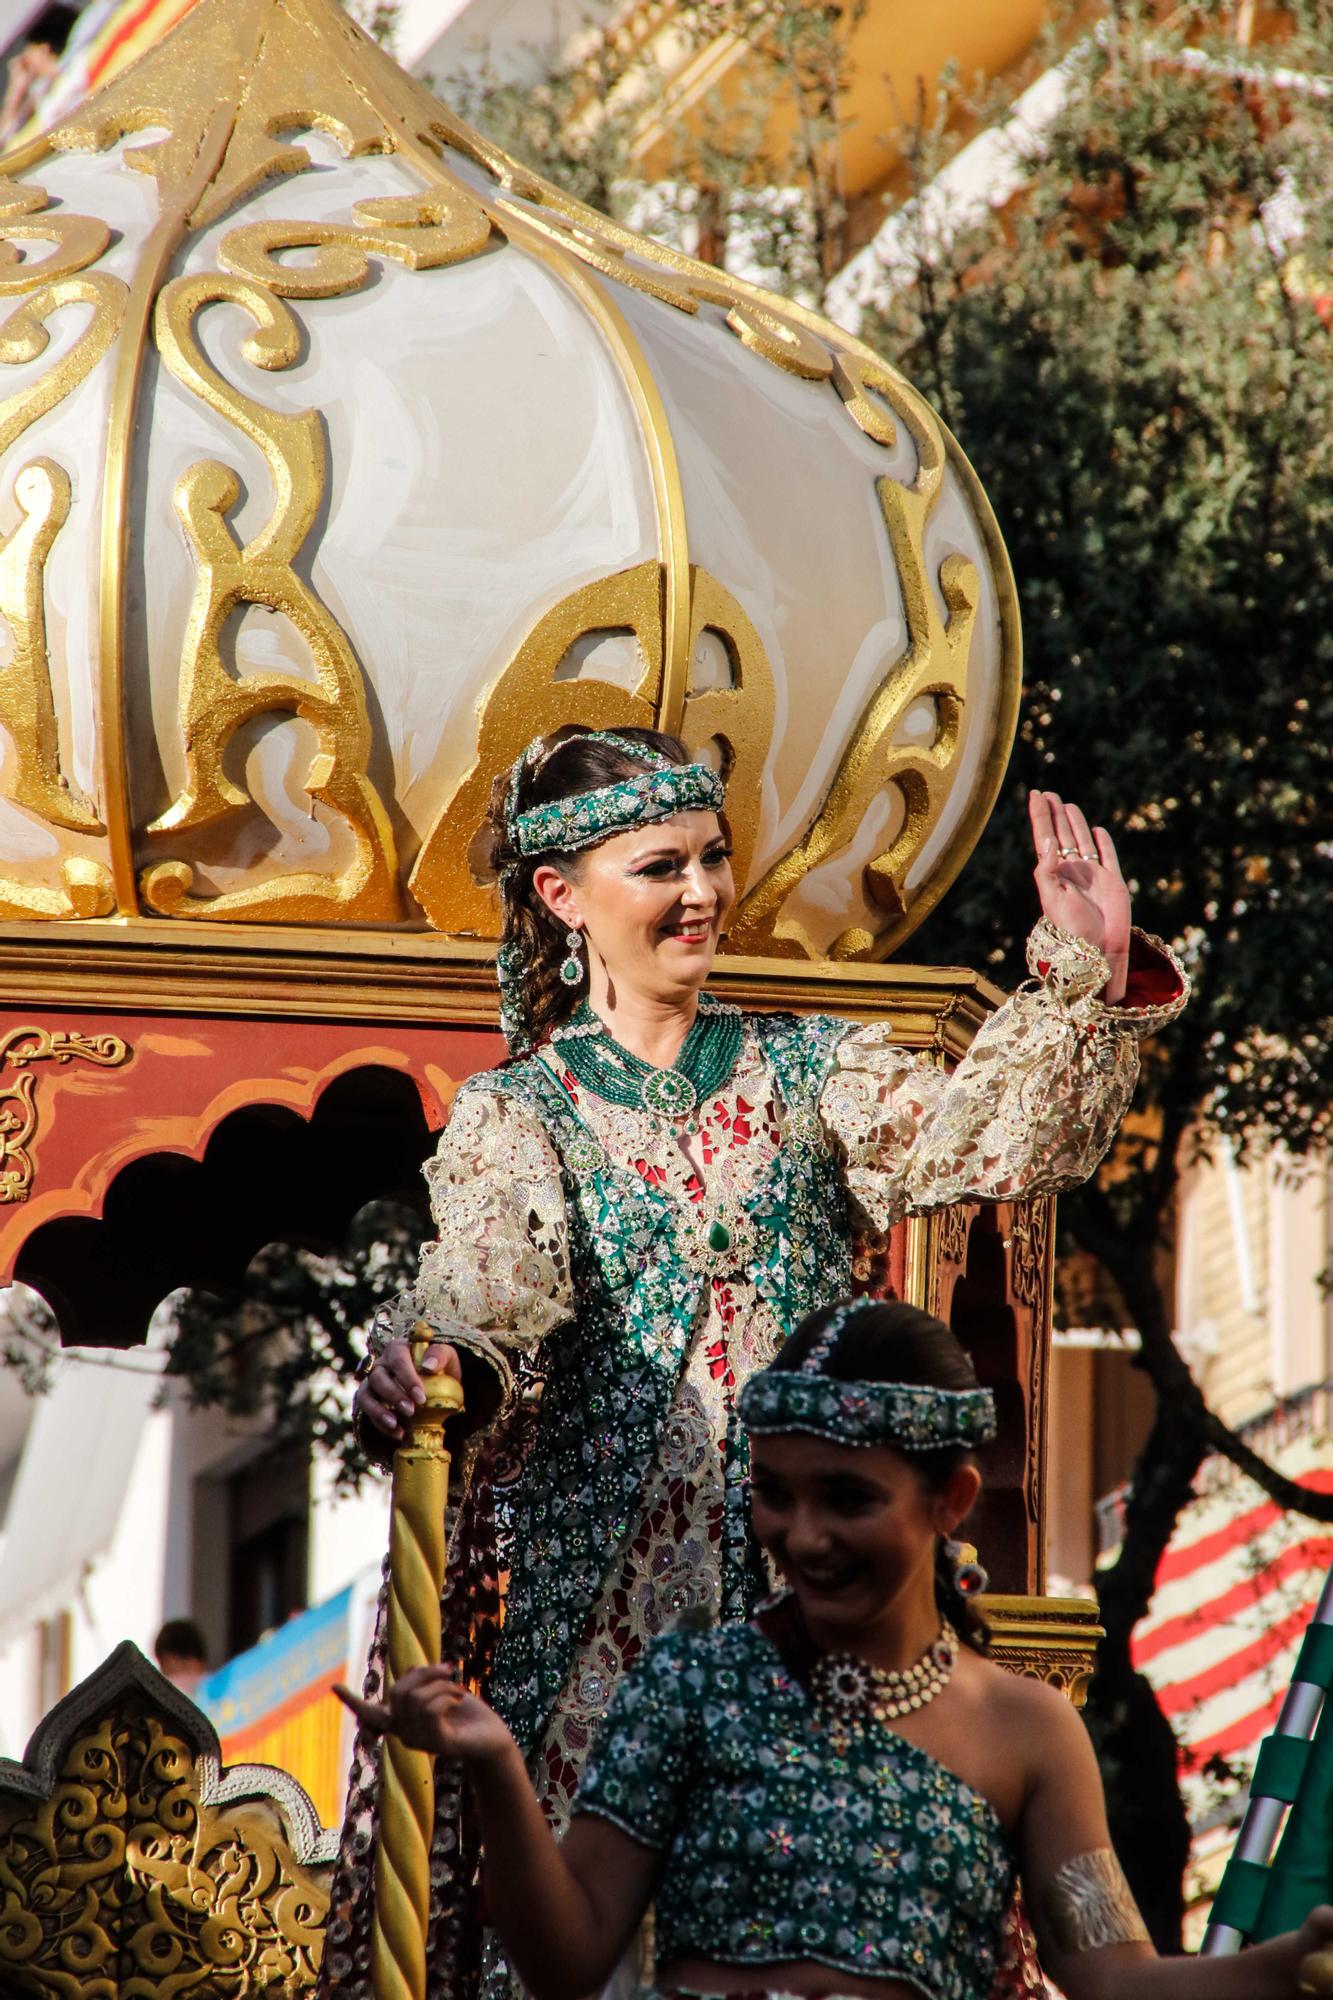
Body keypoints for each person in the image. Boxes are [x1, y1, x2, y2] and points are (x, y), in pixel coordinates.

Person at [324, 726, 1187, 1997]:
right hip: (603, 1637)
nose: (702, 892)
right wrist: (432, 1361)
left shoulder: (809, 1066)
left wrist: (1077, 985)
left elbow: (978, 1143)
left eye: (714, 857)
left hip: (822, 1606)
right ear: (561, 897)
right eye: (659, 864)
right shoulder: (522, 1112)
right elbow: (492, 1307)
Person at [341, 1298, 1333, 2000]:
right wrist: (497, 1768)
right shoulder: (690, 1685)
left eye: (848, 1499)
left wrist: (1283, 1966)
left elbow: (1113, 1975)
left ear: (950, 1501)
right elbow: (566, 1957)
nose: (802, 1536)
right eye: (776, 1491)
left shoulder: (1028, 1731)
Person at [153, 1616, 208, 1698]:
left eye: (161, 1664)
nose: (161, 1671)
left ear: (169, 1659)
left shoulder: (164, 1692)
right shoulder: (226, 1688)